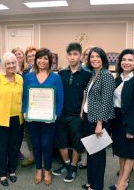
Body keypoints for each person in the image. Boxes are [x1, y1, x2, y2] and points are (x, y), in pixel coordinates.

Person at [22, 48, 64, 186]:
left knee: (46, 144)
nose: (42, 61)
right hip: (33, 117)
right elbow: (25, 97)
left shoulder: (56, 77)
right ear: (35, 60)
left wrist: (56, 114)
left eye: (45, 58)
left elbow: (60, 98)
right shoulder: (28, 77)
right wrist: (24, 111)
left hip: (49, 119)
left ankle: (47, 170)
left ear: (50, 61)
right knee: (36, 144)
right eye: (39, 58)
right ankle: (38, 169)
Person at [52, 42, 91, 183]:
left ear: (80, 56)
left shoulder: (87, 74)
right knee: (61, 142)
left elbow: (88, 95)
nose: (72, 57)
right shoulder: (60, 74)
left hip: (77, 116)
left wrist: (82, 113)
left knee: (77, 143)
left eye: (75, 54)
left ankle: (73, 167)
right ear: (67, 56)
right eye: (70, 54)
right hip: (61, 114)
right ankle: (66, 164)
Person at [109, 49, 134, 190]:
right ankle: (121, 180)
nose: (126, 62)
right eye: (124, 59)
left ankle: (122, 184)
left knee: (130, 152)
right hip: (118, 120)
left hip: (131, 121)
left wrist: (132, 128)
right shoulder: (118, 78)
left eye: (130, 60)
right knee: (121, 151)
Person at [80, 47, 115, 190]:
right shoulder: (94, 74)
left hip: (99, 120)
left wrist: (99, 123)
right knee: (91, 153)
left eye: (97, 56)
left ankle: (97, 186)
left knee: (98, 156)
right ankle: (91, 182)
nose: (94, 59)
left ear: (103, 58)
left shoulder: (106, 75)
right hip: (90, 118)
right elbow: (88, 95)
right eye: (92, 57)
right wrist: (82, 110)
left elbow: (106, 101)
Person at [0, 52, 24, 187]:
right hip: (0, 119)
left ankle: (12, 170)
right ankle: (2, 173)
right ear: (3, 65)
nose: (11, 65)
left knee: (14, 146)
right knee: (1, 147)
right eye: (8, 63)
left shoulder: (20, 78)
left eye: (14, 63)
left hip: (17, 119)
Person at [20, 46, 37, 167]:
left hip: (42, 109)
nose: (31, 58)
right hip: (29, 108)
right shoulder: (24, 73)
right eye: (29, 56)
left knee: (41, 134)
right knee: (29, 133)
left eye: (34, 55)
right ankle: (32, 157)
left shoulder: (45, 71)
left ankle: (41, 159)